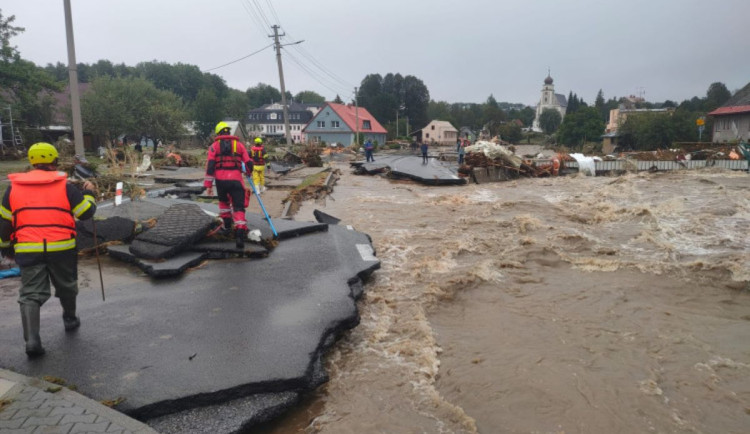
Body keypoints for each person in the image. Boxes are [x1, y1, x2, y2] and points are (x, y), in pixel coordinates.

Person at [0, 142, 97, 357]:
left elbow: (5, 222)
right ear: (54, 161)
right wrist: (90, 194)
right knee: (67, 285)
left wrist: (5, 246)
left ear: (32, 162)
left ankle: (32, 340)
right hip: (61, 248)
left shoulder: (13, 188)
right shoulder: (65, 187)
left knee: (30, 294)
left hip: (28, 248)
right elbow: (86, 213)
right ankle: (70, 319)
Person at [203, 122, 254, 248]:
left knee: (224, 204)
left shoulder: (214, 147)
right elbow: (249, 163)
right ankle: (240, 233)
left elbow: (210, 166)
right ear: (228, 132)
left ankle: (226, 227)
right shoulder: (239, 146)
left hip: (221, 181)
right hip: (236, 180)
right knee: (238, 207)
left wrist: (208, 185)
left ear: (218, 133)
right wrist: (248, 172)